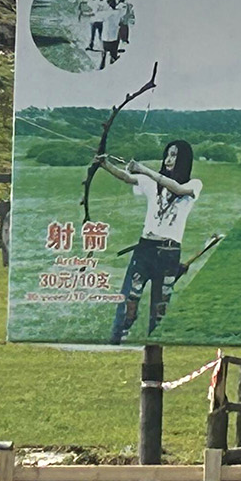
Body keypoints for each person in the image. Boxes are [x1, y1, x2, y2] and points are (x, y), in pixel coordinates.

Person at [99, 140, 202, 345]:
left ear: (184, 160)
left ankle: (153, 348)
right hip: (145, 248)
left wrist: (145, 170)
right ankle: (116, 339)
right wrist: (104, 164)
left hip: (169, 252)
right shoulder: (151, 182)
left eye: (174, 155)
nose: (168, 159)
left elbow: (178, 190)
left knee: (160, 306)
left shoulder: (193, 184)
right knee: (129, 296)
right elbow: (127, 177)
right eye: (167, 155)